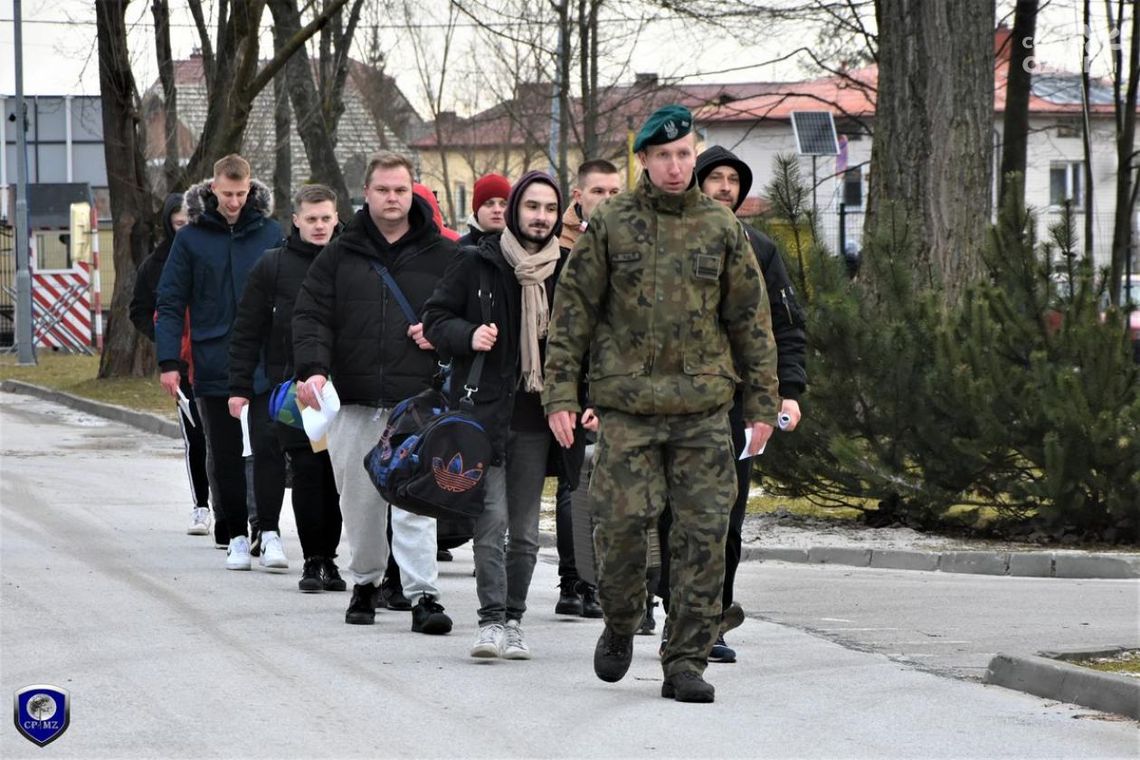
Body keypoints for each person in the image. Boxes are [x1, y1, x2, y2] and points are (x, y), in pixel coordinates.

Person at [542, 105, 780, 703]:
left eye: (685, 155)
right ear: (643, 160)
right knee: (621, 529)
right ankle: (620, 622)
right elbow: (573, 314)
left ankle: (685, 660)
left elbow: (752, 322)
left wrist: (762, 404)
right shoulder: (612, 223)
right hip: (628, 409)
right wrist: (561, 395)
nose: (677, 167)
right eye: (664, 156)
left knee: (703, 536)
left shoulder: (722, 228)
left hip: (703, 411)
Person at [656, 145, 808, 663]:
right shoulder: (666, 242)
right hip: (674, 404)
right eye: (714, 178)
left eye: (733, 180)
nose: (724, 187)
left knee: (726, 521)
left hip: (737, 408)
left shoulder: (761, 250)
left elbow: (785, 329)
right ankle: (675, 614)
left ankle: (711, 621)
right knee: (675, 517)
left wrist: (787, 392)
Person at [292, 151, 455, 634]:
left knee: (416, 504)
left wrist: (441, 332)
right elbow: (311, 315)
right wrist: (314, 370)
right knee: (360, 502)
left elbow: (469, 318)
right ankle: (364, 584)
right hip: (356, 398)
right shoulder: (339, 255)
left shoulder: (446, 254)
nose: (392, 198)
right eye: (383, 189)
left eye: (400, 189)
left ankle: (423, 595)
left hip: (418, 403)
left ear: (413, 192)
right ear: (366, 194)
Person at [423, 170, 571, 660]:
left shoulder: (566, 269)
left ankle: (514, 619)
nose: (541, 217)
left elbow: (586, 346)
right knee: (491, 523)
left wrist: (582, 404)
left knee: (526, 533)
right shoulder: (476, 262)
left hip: (538, 421)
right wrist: (469, 335)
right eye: (532, 207)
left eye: (550, 209)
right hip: (484, 416)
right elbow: (435, 321)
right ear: (513, 211)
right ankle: (489, 622)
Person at [155, 154, 283, 570]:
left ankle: (269, 530)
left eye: (241, 194)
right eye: (227, 194)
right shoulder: (190, 239)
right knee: (223, 450)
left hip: (266, 358)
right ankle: (235, 535)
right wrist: (169, 360)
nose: (233, 202)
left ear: (251, 189)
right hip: (212, 357)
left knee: (267, 446)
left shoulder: (270, 233)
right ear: (213, 189)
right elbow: (171, 301)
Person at [228, 184, 345, 589]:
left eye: (325, 218)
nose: (318, 226)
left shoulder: (350, 261)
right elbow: (247, 329)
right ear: (295, 220)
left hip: (347, 387)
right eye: (310, 219)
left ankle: (336, 557)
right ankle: (316, 559)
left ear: (336, 218)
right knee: (310, 471)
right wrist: (239, 386)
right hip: (295, 390)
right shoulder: (273, 265)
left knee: (338, 475)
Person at [551, 159, 623, 619]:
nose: (608, 201)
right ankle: (573, 580)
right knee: (574, 485)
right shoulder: (559, 251)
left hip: (617, 383)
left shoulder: (632, 244)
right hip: (570, 384)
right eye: (599, 192)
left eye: (616, 192)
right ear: (578, 197)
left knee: (612, 490)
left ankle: (605, 581)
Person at [129, 194, 214, 539]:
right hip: (182, 364)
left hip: (217, 358)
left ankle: (233, 506)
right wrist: (168, 342)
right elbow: (139, 310)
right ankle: (201, 505)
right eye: (178, 224)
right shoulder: (155, 265)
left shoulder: (212, 254)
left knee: (229, 439)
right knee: (196, 437)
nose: (185, 230)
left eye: (190, 224)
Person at [457, 173, 510, 247]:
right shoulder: (459, 250)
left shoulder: (523, 247)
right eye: (489, 204)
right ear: (476, 210)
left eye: (503, 204)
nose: (497, 210)